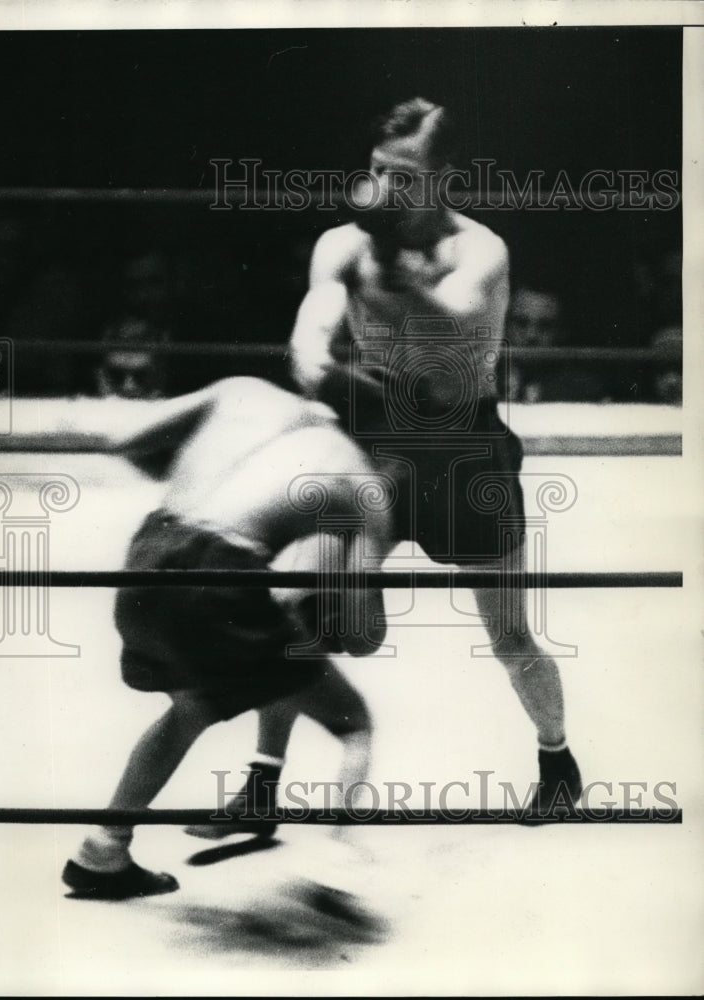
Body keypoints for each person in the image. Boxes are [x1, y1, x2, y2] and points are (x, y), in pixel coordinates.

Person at [245, 98, 582, 819]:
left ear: (444, 178)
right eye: (377, 172)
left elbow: (459, 310)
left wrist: (396, 274)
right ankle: (262, 779)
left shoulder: (480, 247)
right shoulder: (340, 245)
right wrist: (313, 362)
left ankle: (557, 759)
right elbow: (314, 325)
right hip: (377, 441)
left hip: (466, 446)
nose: (388, 188)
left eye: (406, 176)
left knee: (510, 634)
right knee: (299, 611)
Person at [61, 376, 393, 904]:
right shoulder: (360, 475)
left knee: (192, 707)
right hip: (221, 573)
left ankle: (102, 851)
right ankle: (336, 856)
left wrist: (202, 498)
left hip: (149, 550)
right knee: (355, 725)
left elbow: (123, 441)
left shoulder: (243, 390)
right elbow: (360, 633)